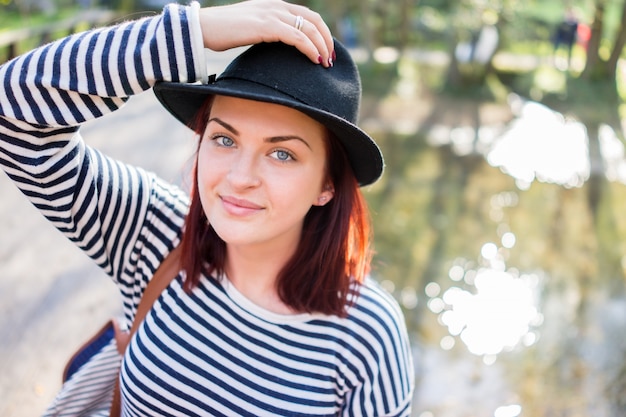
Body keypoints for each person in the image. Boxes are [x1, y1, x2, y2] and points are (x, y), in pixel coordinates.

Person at [0, 0, 414, 415]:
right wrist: (195, 30)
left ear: (327, 184)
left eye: (282, 154)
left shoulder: (366, 333)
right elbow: (12, 115)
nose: (239, 177)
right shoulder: (153, 233)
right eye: (224, 139)